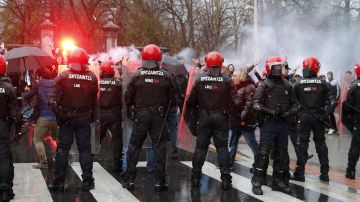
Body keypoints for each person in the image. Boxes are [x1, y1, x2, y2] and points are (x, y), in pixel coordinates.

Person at [124, 44, 177, 192]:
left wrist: (132, 111)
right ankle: (160, 182)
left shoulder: (137, 75)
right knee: (159, 148)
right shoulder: (166, 76)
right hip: (158, 116)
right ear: (159, 59)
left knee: (134, 147)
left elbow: (128, 96)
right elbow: (174, 96)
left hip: (141, 115)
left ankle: (130, 180)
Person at [48, 47, 98, 192]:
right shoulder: (92, 78)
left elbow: (51, 100)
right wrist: (92, 118)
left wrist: (59, 114)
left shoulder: (63, 76)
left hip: (67, 119)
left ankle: (59, 182)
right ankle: (88, 181)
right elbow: (94, 101)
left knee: (63, 150)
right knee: (85, 150)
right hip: (84, 118)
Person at [186, 51, 237, 190]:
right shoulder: (227, 80)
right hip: (221, 118)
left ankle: (195, 178)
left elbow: (190, 101)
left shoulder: (200, 79)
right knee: (222, 148)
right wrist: (228, 111)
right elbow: (236, 102)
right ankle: (226, 180)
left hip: (204, 118)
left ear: (207, 63)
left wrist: (197, 115)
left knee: (200, 148)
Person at [251, 56, 298, 195]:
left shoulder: (287, 85)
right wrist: (270, 112)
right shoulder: (264, 85)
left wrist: (288, 113)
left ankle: (278, 181)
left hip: (282, 124)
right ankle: (257, 181)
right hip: (269, 123)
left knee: (281, 154)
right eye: (276, 67)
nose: (279, 69)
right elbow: (256, 103)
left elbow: (295, 104)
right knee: (264, 153)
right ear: (269, 68)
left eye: (280, 66)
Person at [292, 57, 336, 182]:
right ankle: (325, 173)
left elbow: (292, 100)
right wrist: (326, 114)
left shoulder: (298, 83)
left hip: (304, 116)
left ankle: (300, 173)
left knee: (302, 144)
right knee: (321, 143)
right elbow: (333, 102)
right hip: (319, 117)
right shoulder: (323, 83)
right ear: (317, 67)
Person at [24, 68, 58, 169]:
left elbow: (28, 96)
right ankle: (62, 157)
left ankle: (43, 162)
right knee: (55, 139)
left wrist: (27, 91)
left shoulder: (39, 84)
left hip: (44, 116)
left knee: (37, 139)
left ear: (41, 76)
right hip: (56, 117)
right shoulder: (56, 83)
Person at [0, 55, 21, 200]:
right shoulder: (8, 87)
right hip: (2, 126)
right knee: (4, 157)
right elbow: (15, 113)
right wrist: (18, 129)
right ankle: (5, 190)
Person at [229, 68, 258, 169]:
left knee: (251, 142)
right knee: (232, 143)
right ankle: (229, 163)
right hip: (235, 120)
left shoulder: (249, 87)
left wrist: (243, 115)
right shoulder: (234, 87)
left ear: (240, 77)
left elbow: (249, 104)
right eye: (232, 76)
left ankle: (259, 163)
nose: (232, 78)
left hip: (245, 121)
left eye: (234, 76)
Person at [99, 60, 123, 172]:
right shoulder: (118, 83)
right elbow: (123, 98)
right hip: (115, 114)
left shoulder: (99, 83)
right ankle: (117, 165)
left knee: (96, 139)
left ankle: (88, 160)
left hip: (101, 115)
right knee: (117, 140)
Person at [345, 61, 360, 179]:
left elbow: (347, 106)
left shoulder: (353, 86)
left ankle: (350, 171)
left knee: (355, 147)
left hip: (358, 122)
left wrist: (351, 124)